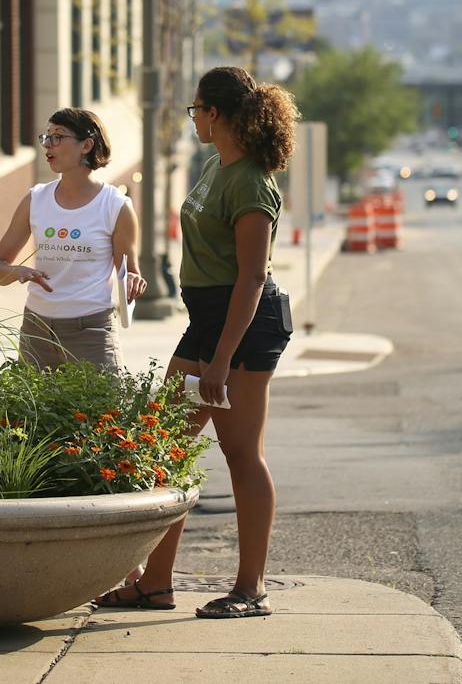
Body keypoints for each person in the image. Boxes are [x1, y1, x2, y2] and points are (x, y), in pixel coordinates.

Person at [96, 65, 298, 619]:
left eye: (196, 111)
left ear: (215, 113)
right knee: (167, 447)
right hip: (205, 321)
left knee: (240, 455)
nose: (193, 120)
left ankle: (250, 589)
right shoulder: (216, 165)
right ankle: (155, 585)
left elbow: (252, 278)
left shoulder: (252, 182)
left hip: (244, 328)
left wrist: (221, 361)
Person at [0, 109, 146, 370]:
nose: (48, 144)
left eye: (58, 137)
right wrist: (18, 272)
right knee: (31, 413)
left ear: (86, 145)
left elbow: (129, 272)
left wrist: (134, 281)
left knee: (104, 411)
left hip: (91, 331)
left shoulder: (116, 206)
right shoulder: (35, 200)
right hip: (36, 330)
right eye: (46, 137)